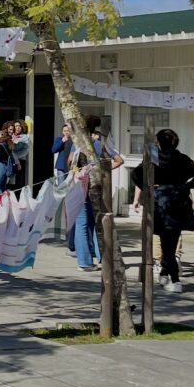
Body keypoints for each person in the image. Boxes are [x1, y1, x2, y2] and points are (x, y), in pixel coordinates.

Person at [132, 129, 194, 292]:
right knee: (170, 241)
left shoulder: (155, 159)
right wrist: (186, 186)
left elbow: (136, 175)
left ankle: (176, 281)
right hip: (179, 202)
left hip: (161, 202)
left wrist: (149, 187)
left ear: (159, 143)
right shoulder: (182, 159)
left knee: (166, 243)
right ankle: (164, 273)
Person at [71, 116, 125, 272]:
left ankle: (84, 261)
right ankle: (102, 257)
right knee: (99, 221)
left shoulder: (79, 142)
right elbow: (119, 160)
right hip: (98, 186)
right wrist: (103, 171)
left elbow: (70, 161)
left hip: (80, 185)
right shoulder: (101, 142)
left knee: (82, 223)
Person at [0, 128, 18, 196]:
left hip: (1, 165)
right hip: (7, 166)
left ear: (2, 135)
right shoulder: (8, 144)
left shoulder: (0, 145)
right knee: (3, 187)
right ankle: (6, 202)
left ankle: (3, 202)